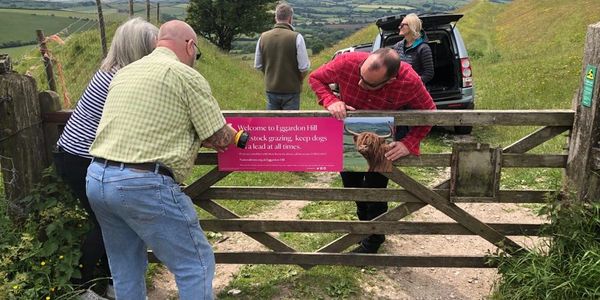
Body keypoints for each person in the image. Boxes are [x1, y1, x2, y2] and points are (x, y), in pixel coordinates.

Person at [85, 20, 238, 300]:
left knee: (125, 266)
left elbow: (147, 122)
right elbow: (220, 137)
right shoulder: (184, 75)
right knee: (195, 263)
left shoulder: (125, 72)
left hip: (97, 177)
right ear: (190, 46)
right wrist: (231, 134)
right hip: (142, 183)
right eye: (198, 54)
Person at [53, 17, 158, 300]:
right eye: (152, 47)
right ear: (139, 49)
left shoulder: (112, 72)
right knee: (108, 224)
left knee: (114, 223)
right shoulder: (120, 79)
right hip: (81, 159)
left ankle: (113, 283)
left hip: (79, 156)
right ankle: (83, 288)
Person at [308, 48, 436, 253]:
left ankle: (374, 238)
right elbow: (315, 78)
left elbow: (429, 112)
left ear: (390, 80)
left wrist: (408, 143)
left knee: (375, 189)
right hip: (350, 136)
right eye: (361, 76)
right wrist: (331, 100)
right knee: (352, 186)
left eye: (368, 84)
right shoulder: (347, 62)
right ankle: (365, 228)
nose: (360, 83)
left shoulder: (409, 81)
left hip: (382, 140)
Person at [254, 2, 310, 110]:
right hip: (292, 90)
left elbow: (258, 65)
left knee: (272, 125)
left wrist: (270, 76)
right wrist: (299, 80)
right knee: (290, 125)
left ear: (276, 18)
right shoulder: (297, 37)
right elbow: (304, 67)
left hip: (271, 89)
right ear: (290, 18)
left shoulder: (263, 37)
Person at [392, 13, 434, 84]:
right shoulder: (397, 46)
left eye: (402, 25)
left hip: (415, 90)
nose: (399, 27)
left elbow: (429, 74)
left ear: (412, 27)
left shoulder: (423, 48)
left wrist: (412, 83)